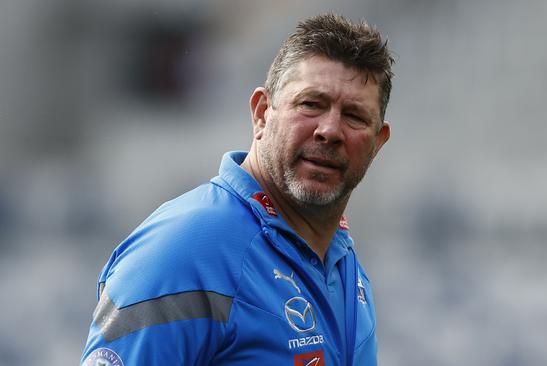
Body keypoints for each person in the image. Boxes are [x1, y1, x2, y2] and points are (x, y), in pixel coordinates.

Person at [80, 13, 393, 366]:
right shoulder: (183, 251)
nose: (330, 130)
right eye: (311, 104)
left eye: (354, 116)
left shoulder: (342, 263)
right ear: (261, 114)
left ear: (377, 142)